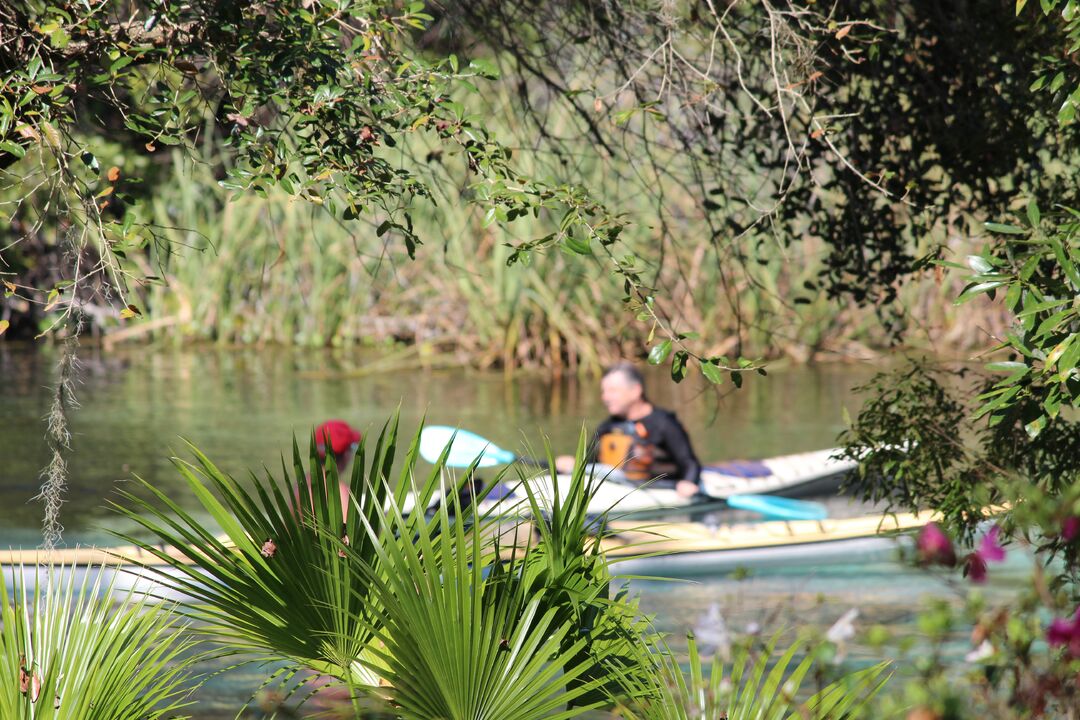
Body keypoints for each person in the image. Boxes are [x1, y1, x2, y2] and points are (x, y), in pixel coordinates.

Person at [555, 362, 702, 497]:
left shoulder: (664, 424)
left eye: (612, 391)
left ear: (635, 390)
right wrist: (570, 464)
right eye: (603, 392)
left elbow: (689, 462)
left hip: (657, 492)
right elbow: (588, 463)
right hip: (617, 491)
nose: (605, 397)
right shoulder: (607, 427)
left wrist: (688, 482)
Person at [300, 419, 361, 520]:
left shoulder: (301, 484)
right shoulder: (339, 491)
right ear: (346, 453)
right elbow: (347, 534)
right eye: (353, 447)